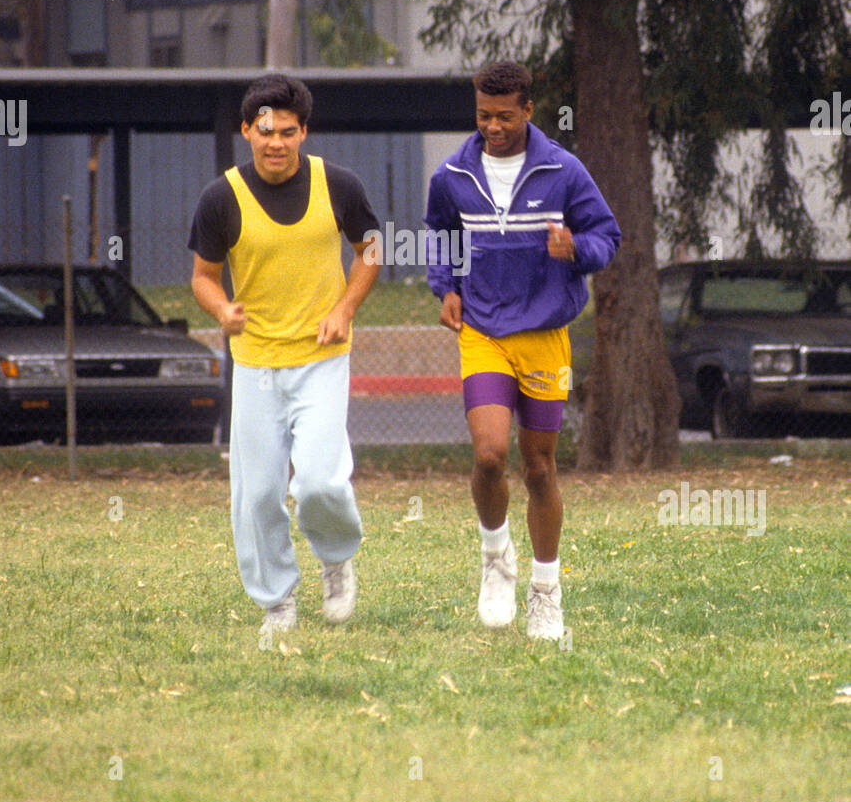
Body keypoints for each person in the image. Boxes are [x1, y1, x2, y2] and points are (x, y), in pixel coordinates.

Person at [425, 61, 621, 640]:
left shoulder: (564, 169)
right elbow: (440, 231)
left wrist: (575, 247)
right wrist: (447, 287)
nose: (493, 127)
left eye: (505, 117)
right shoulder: (454, 173)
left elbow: (607, 238)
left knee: (538, 467)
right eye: (483, 116)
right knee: (489, 455)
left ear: (529, 110)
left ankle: (546, 591)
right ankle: (494, 558)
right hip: (483, 330)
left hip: (544, 335)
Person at [188, 73, 380, 642]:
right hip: (254, 363)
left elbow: (372, 249)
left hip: (322, 356)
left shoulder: (337, 185)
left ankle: (336, 558)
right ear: (247, 130)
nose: (276, 142)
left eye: (288, 132)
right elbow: (202, 277)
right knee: (260, 492)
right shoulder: (221, 196)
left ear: (304, 132)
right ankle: (277, 602)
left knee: (320, 482)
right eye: (265, 131)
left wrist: (345, 308)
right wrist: (223, 311)